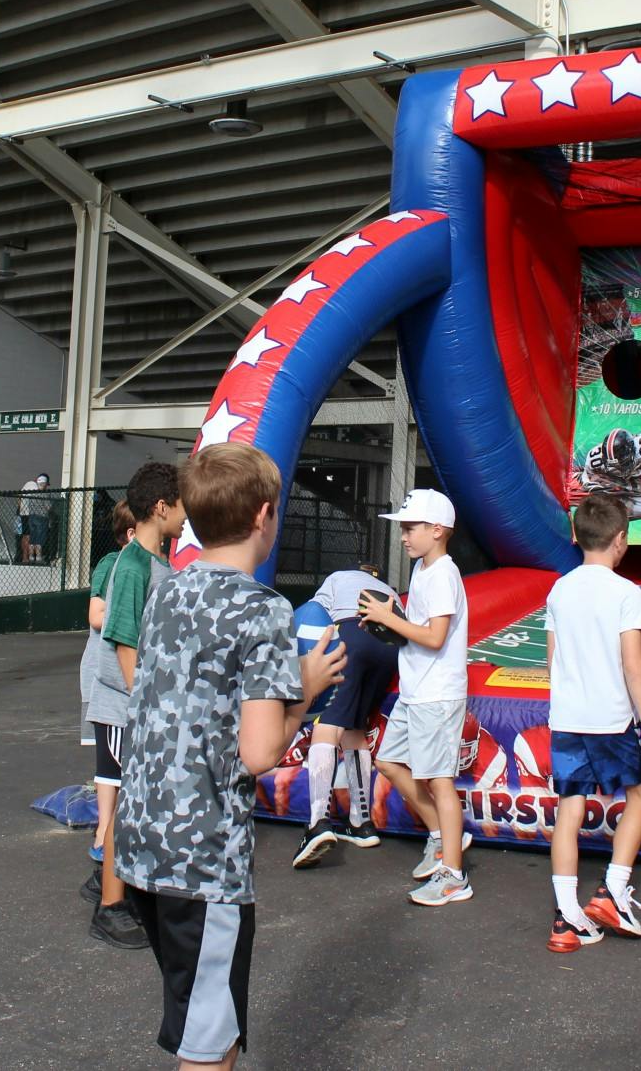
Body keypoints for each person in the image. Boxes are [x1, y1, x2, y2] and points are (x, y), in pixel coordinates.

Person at [116, 443, 345, 1070]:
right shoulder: (262, 608)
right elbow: (261, 749)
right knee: (208, 1044)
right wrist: (304, 690)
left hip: (143, 839)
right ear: (264, 515)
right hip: (203, 855)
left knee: (201, 1019)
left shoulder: (167, 592)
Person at [541, 493, 641, 952]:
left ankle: (566, 917)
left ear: (575, 536)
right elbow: (634, 664)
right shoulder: (625, 592)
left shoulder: (559, 589)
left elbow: (552, 661)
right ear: (621, 540)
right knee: (640, 793)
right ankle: (613, 889)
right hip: (610, 720)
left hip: (568, 718)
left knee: (569, 810)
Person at [357, 487, 474, 907]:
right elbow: (422, 631)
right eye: (403, 528)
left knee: (439, 781)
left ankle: (454, 875)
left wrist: (390, 619)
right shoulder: (426, 569)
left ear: (438, 530)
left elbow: (436, 636)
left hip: (436, 694)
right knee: (387, 760)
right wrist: (390, 621)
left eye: (411, 528)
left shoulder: (443, 573)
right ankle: (444, 838)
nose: (404, 536)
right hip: (417, 689)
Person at [88, 460, 185, 948]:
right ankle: (110, 906)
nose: (187, 516)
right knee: (127, 805)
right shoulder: (131, 566)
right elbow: (124, 638)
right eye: (182, 505)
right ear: (161, 507)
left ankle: (114, 882)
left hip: (145, 706)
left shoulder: (159, 564)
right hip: (131, 708)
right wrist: (146, 706)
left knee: (138, 803)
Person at [291, 561, 401, 868]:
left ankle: (317, 823)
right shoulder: (389, 588)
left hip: (351, 632)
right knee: (355, 728)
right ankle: (361, 822)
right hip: (389, 645)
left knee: (327, 723)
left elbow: (313, 615)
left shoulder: (336, 576)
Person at [79, 500, 135, 902]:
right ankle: (104, 840)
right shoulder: (115, 564)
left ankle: (109, 851)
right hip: (111, 686)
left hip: (124, 687)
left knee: (118, 768)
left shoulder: (148, 567)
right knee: (112, 769)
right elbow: (97, 616)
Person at [19, 471, 51, 563]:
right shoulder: (41, 491)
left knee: (28, 536)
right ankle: (37, 556)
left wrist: (21, 509)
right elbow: (48, 506)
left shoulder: (29, 485)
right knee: (38, 537)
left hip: (27, 514)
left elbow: (20, 496)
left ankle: (27, 557)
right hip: (34, 515)